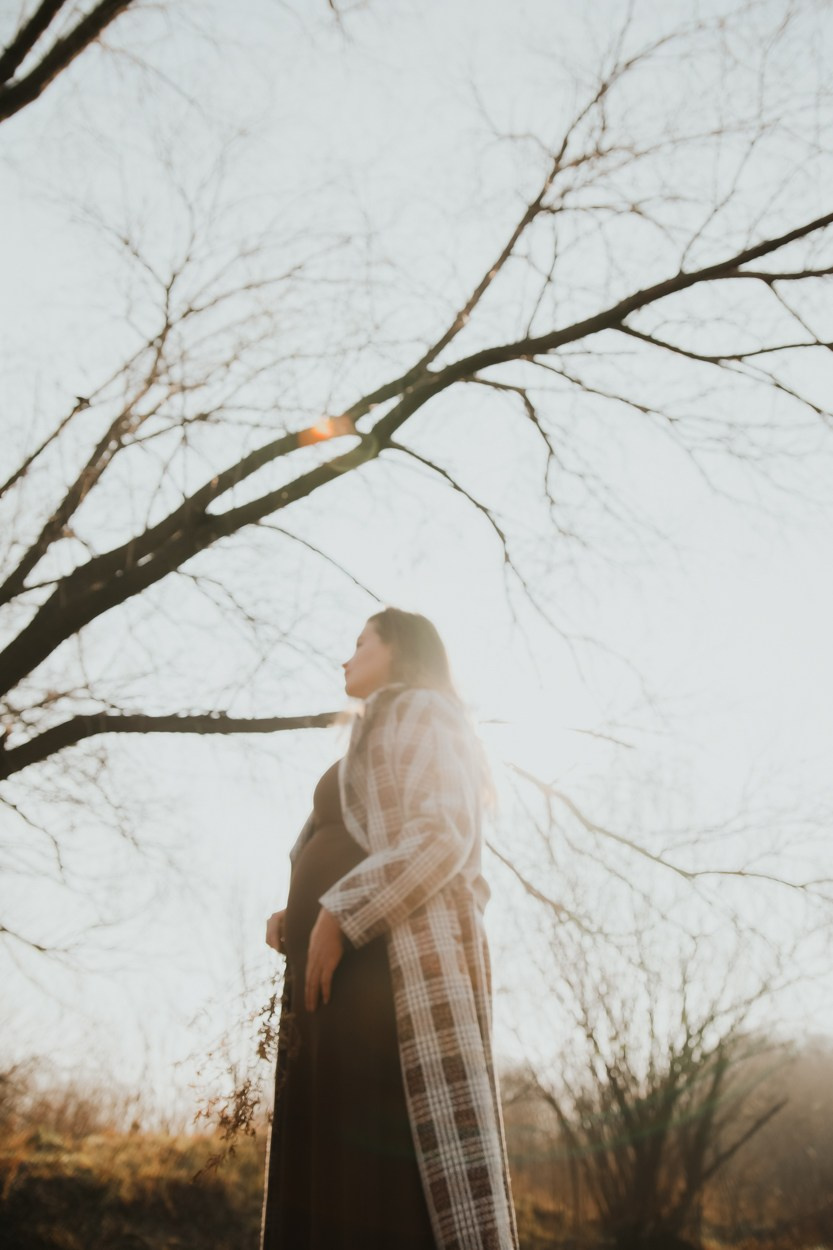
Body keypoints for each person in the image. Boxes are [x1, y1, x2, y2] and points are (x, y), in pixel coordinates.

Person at [260, 608, 518, 1250]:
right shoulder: (370, 731)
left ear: (399, 648)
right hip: (340, 974)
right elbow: (347, 836)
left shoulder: (426, 711)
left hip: (391, 974)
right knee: (324, 1156)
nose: (346, 659)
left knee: (378, 1165)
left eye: (360, 643)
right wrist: (294, 915)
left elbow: (442, 833)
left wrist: (343, 914)